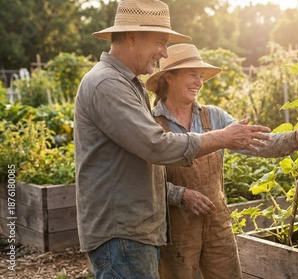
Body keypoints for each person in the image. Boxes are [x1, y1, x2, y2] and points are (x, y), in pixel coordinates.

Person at [73, 1, 272, 279]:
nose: (164, 52)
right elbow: (155, 145)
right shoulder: (108, 84)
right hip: (122, 233)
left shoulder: (126, 84)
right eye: (160, 42)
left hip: (134, 232)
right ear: (132, 37)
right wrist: (221, 138)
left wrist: (296, 137)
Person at [145, 43, 298, 279]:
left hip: (216, 221)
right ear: (169, 78)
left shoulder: (213, 116)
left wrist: (296, 137)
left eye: (201, 76)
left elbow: (260, 143)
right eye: (192, 74)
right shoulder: (152, 124)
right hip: (175, 228)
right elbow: (143, 181)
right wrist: (180, 195)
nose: (199, 82)